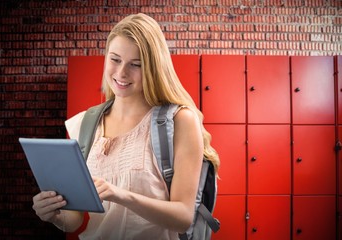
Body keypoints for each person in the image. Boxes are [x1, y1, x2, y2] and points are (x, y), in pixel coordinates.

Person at [32, 13, 219, 239]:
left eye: (136, 64)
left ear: (153, 68)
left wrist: (120, 195)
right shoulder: (85, 123)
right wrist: (54, 214)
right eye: (115, 59)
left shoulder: (179, 121)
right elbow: (74, 220)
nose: (121, 73)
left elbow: (182, 217)